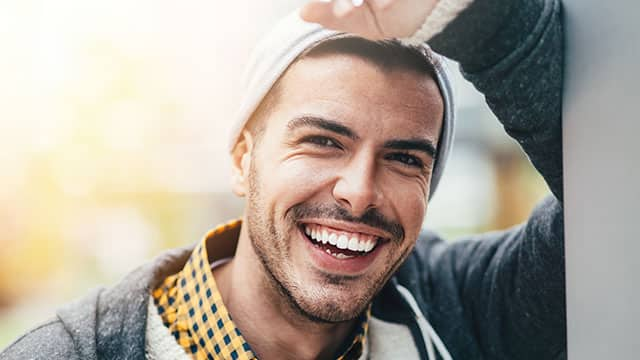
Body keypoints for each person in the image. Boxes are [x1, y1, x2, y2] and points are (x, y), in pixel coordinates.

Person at [0, 0, 565, 359]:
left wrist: (485, 25)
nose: (360, 191)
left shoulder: (466, 310)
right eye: (323, 141)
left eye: (404, 159)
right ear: (242, 159)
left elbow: (618, 203)